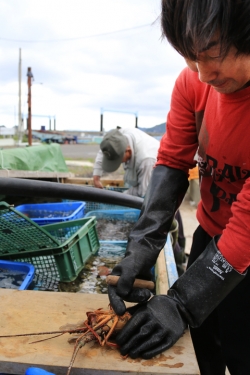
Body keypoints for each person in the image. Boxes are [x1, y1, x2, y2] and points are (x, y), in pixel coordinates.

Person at [107, 1, 250, 374]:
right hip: (211, 236)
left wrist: (183, 302)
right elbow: (172, 161)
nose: (203, 74)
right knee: (203, 349)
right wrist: (143, 244)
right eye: (191, 56)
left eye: (214, 54)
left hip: (246, 251)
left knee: (243, 353)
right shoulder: (193, 84)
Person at [93, 127, 186, 275]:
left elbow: (143, 196)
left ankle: (179, 267)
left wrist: (120, 197)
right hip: (141, 181)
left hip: (162, 193)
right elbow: (103, 150)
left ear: (128, 151)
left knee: (169, 229)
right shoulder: (117, 137)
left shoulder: (147, 160)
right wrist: (96, 175)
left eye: (119, 159)